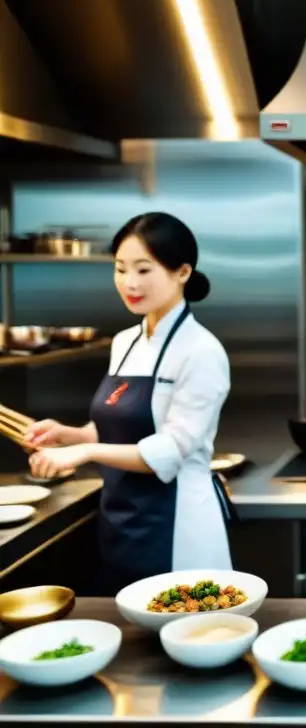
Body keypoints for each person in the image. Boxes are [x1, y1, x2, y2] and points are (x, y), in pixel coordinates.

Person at [25, 212, 235, 596]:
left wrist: (84, 452)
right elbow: (112, 429)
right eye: (120, 269)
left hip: (177, 529)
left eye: (143, 269)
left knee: (179, 637)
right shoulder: (125, 342)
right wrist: (67, 435)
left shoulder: (202, 351)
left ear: (182, 272)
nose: (129, 283)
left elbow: (168, 452)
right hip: (122, 523)